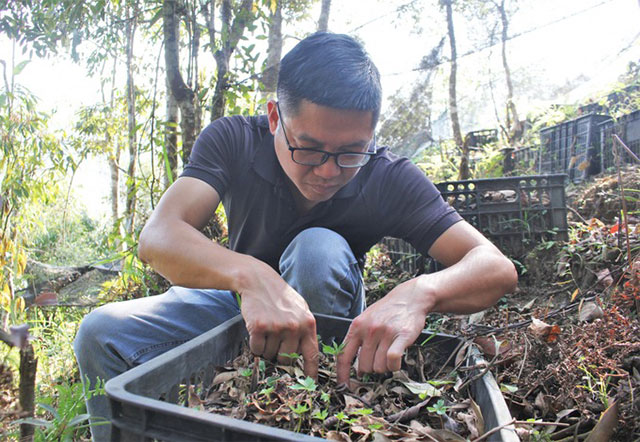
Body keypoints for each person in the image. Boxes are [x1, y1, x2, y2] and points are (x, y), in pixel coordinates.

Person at [74, 31, 517, 441]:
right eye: (308, 148)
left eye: (350, 152)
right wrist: (251, 277)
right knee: (100, 333)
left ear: (372, 135)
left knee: (315, 252)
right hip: (235, 300)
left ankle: (308, 412)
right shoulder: (234, 141)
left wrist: (419, 293)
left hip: (332, 320)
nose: (327, 171)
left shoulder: (389, 177)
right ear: (274, 119)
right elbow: (159, 236)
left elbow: (494, 268)